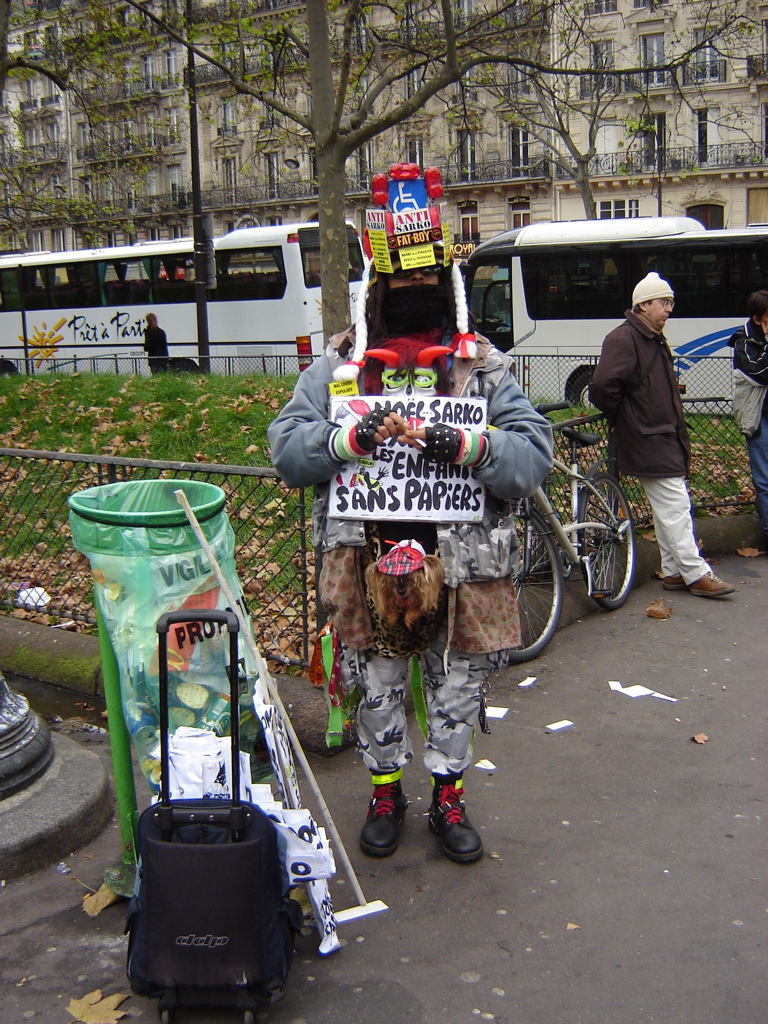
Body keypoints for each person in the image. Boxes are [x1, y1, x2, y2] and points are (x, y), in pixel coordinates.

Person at [268, 164, 553, 863]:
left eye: (425, 280)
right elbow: (286, 450)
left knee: (457, 685)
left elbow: (531, 456)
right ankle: (387, 789)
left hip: (463, 569)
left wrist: (472, 444)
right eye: (399, 283)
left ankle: (448, 795)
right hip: (367, 561)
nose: (412, 292)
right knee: (376, 684)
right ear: (378, 287)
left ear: (446, 284)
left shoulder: (483, 368)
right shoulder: (335, 368)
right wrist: (346, 438)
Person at [589, 271, 735, 598]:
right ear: (643, 304)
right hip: (648, 437)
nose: (669, 308)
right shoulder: (626, 338)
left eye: (670, 302)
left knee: (668, 508)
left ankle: (672, 571)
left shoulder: (648, 336)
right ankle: (696, 574)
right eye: (663, 302)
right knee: (676, 507)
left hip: (657, 435)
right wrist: (622, 417)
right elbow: (601, 388)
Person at [728, 290, 768, 541]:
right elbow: (759, 373)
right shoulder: (743, 340)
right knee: (765, 479)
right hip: (760, 417)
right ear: (757, 319)